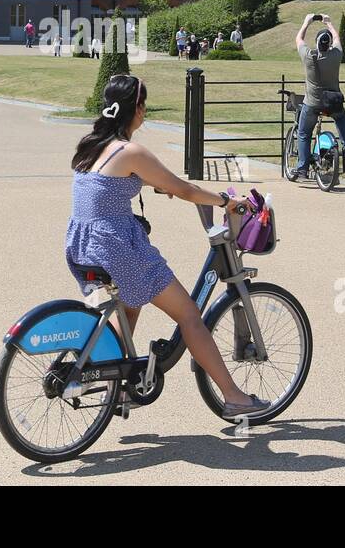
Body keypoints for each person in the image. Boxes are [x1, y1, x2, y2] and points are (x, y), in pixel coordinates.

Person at [67, 74, 270, 419]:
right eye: (143, 104)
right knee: (190, 315)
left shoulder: (92, 147)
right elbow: (184, 189)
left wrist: (173, 188)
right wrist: (224, 201)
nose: (144, 111)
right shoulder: (130, 150)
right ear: (136, 109)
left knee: (131, 305)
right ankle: (235, 398)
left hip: (81, 244)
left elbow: (148, 185)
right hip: (116, 248)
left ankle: (115, 383)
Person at [291, 13, 345, 180]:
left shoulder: (308, 56)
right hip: (333, 102)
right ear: (328, 44)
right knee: (342, 118)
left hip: (312, 103)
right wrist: (329, 23)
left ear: (317, 43)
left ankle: (302, 168)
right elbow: (337, 40)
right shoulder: (335, 55)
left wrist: (306, 22)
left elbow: (298, 39)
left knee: (304, 134)